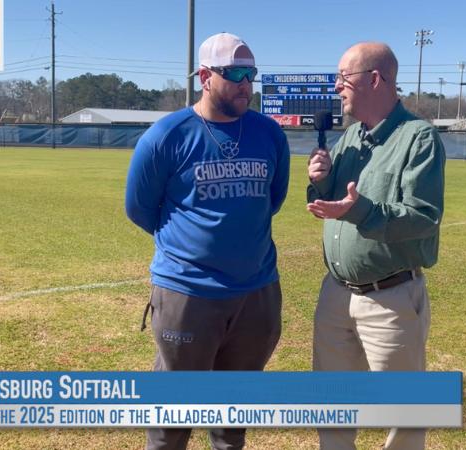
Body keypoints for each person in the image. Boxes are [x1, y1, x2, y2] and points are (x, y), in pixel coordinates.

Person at [125, 32, 290, 450]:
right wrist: (189, 248)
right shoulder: (166, 135)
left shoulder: (269, 134)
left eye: (251, 74)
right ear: (205, 77)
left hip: (256, 294)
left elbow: (272, 200)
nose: (245, 84)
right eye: (234, 73)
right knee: (172, 418)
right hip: (188, 295)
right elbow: (139, 208)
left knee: (233, 419)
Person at [306, 42, 445, 450]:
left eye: (343, 77)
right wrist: (320, 182)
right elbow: (333, 203)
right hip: (335, 294)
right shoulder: (350, 137)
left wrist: (360, 210)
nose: (337, 87)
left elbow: (422, 218)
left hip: (390, 298)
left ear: (374, 79)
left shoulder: (418, 138)